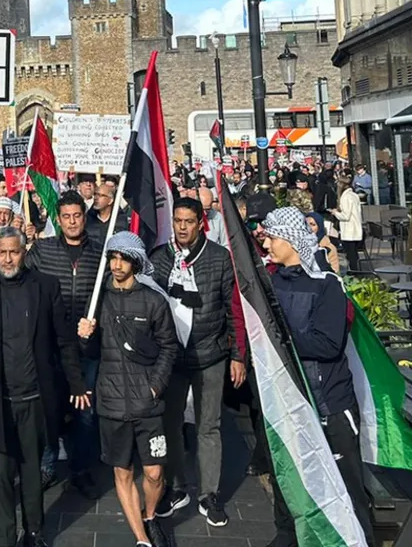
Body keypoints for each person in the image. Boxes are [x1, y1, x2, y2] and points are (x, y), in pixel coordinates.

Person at [0, 227, 90, 547]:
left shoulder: (46, 287)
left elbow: (64, 341)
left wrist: (77, 383)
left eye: (14, 251)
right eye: (2, 252)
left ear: (24, 251)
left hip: (34, 400)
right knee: (0, 476)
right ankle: (5, 537)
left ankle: (34, 533)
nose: (8, 258)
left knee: (31, 473)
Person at [260, 207, 376, 547]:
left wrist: (280, 336)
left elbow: (327, 344)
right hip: (289, 405)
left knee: (346, 489)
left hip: (329, 406)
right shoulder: (271, 282)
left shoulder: (327, 285)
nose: (267, 243)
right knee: (288, 484)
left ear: (292, 240)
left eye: (272, 237)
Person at [78, 231, 177, 547]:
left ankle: (150, 517)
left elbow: (168, 346)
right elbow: (90, 353)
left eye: (123, 258)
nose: (117, 264)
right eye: (113, 257)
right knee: (122, 473)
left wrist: (155, 387)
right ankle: (141, 538)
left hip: (148, 405)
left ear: (136, 262)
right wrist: (85, 337)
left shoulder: (153, 300)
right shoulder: (97, 298)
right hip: (112, 404)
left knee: (154, 474)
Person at [150, 197, 239, 527]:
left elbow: (233, 311)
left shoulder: (219, 259)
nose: (182, 227)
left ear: (201, 222)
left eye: (188, 221)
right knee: (170, 424)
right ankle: (176, 487)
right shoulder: (161, 258)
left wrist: (237, 355)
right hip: (172, 357)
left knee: (208, 425)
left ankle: (209, 493)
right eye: (177, 221)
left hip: (210, 354)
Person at [25, 191, 104, 499]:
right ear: (58, 220)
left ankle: (80, 469)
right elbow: (24, 286)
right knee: (49, 409)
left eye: (77, 216)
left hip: (86, 348)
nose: (72, 222)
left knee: (84, 412)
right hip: (49, 347)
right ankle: (47, 466)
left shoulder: (99, 253)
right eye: (66, 217)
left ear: (84, 217)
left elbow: (109, 294)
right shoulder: (42, 251)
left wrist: (95, 322)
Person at [330, 173, 364, 272]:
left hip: (349, 229)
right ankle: (356, 271)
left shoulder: (345, 197)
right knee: (354, 253)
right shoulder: (354, 195)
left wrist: (335, 212)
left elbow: (345, 216)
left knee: (351, 254)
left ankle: (355, 272)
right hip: (356, 227)